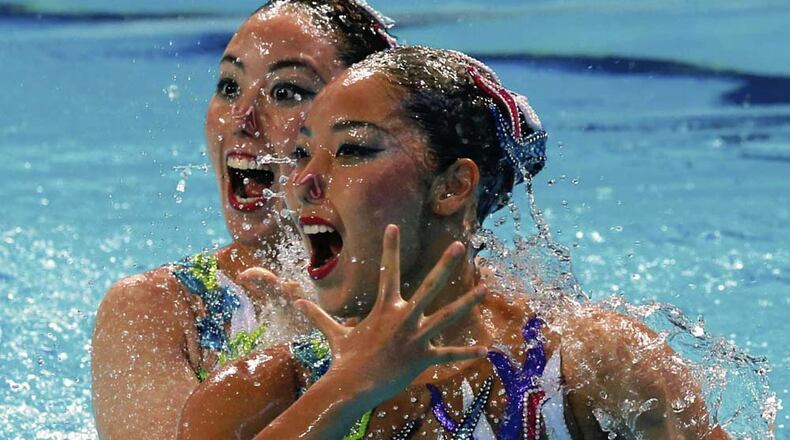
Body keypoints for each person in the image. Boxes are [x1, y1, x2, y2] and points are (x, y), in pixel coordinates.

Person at [177, 46, 731, 439]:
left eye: (351, 151)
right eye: (302, 154)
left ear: (452, 186)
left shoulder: (591, 367)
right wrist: (350, 388)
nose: (301, 183)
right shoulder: (261, 393)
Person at [90, 1, 395, 438]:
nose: (242, 118)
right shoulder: (160, 312)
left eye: (287, 92)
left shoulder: (458, 304)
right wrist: (309, 362)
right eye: (230, 87)